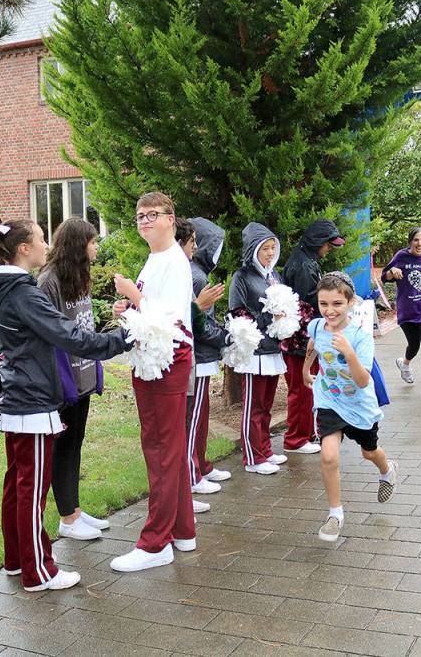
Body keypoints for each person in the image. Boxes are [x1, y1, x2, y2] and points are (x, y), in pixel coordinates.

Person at [0, 218, 131, 589]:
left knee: (16, 485)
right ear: (22, 249)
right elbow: (70, 336)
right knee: (32, 490)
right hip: (31, 400)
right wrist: (125, 337)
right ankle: (39, 571)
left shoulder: (4, 289)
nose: (48, 245)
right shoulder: (23, 293)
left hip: (17, 394)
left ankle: (16, 560)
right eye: (41, 239)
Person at [109, 192, 198, 572]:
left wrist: (133, 295)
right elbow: (151, 307)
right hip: (156, 358)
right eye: (139, 216)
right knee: (169, 446)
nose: (144, 221)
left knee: (161, 448)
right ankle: (182, 530)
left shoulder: (175, 262)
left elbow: (170, 319)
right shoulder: (156, 258)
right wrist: (129, 306)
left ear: (170, 220)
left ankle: (155, 542)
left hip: (167, 359)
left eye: (152, 215)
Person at [301, 273, 396, 542]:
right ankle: (335, 514)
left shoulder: (360, 336)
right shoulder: (317, 327)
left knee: (369, 453)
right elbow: (313, 345)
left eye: (337, 304)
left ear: (351, 302)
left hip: (359, 406)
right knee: (329, 456)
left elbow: (364, 379)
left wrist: (349, 352)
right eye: (323, 304)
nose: (329, 311)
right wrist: (306, 370)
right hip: (329, 401)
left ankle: (387, 470)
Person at [37, 218, 115, 542]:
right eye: (92, 242)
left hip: (81, 375)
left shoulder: (79, 277)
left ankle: (75, 511)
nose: (96, 247)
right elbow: (49, 333)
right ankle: (67, 519)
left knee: (75, 444)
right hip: (63, 381)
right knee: (64, 447)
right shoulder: (48, 281)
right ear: (77, 245)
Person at [177, 217, 231, 511]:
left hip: (202, 356)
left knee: (199, 417)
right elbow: (200, 324)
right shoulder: (196, 276)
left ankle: (200, 463)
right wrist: (228, 336)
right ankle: (192, 473)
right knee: (193, 419)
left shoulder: (194, 272)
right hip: (198, 356)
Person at [228, 221, 289, 475]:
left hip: (272, 348)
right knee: (252, 405)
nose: (270, 253)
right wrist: (268, 319)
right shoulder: (242, 277)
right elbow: (238, 312)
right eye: (265, 248)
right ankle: (252, 457)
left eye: (273, 247)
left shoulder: (273, 276)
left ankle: (264, 449)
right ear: (254, 250)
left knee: (266, 405)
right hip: (254, 352)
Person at [280, 219, 345, 455]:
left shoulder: (306, 261)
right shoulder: (304, 266)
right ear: (318, 241)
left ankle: (305, 433)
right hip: (300, 339)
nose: (329, 249)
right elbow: (309, 305)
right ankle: (295, 438)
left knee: (308, 386)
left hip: (304, 337)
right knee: (301, 387)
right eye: (328, 244)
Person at [383, 228, 421, 400]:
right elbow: (385, 276)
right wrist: (392, 271)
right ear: (411, 241)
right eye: (416, 240)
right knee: (414, 345)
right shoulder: (401, 256)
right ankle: (405, 364)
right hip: (408, 309)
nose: (420, 243)